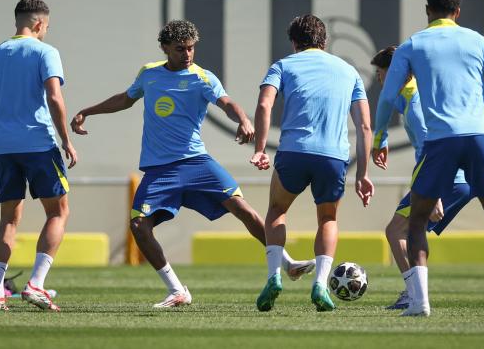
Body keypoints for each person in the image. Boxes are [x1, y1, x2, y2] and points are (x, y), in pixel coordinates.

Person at [70, 20, 313, 308]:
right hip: (160, 169)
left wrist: (244, 120)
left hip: (197, 162)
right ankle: (177, 290)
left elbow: (227, 103)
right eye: (180, 49)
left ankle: (285, 263)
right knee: (138, 225)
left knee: (242, 207)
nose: (187, 54)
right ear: (165, 48)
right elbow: (126, 99)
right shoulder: (149, 74)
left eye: (191, 48)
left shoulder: (203, 78)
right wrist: (88, 111)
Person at [373, 0, 484, 317]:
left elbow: (387, 96)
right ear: (458, 12)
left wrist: (379, 138)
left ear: (427, 10)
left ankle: (420, 302)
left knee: (417, 222)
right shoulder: (479, 42)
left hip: (441, 141)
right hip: (480, 136)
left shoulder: (413, 45)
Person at [251, 14, 374, 312]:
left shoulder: (283, 65)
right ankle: (320, 283)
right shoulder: (349, 70)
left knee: (277, 212)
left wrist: (260, 148)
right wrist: (363, 174)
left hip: (294, 151)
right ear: (325, 41)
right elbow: (365, 126)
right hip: (333, 156)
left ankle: (273, 276)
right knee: (328, 219)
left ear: (294, 42)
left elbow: (265, 104)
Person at [0, 0, 77, 312]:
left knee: (8, 220)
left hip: (4, 150)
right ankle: (36, 284)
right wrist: (66, 140)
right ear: (40, 23)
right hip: (39, 145)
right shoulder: (45, 52)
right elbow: (54, 97)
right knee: (58, 212)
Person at [370, 46, 474, 310]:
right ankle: (415, 293)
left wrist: (435, 192)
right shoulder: (411, 97)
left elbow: (434, 150)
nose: (379, 79)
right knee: (405, 231)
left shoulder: (414, 102)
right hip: (451, 179)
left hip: (446, 179)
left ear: (398, 74)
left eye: (382, 73)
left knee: (395, 231)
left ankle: (413, 294)